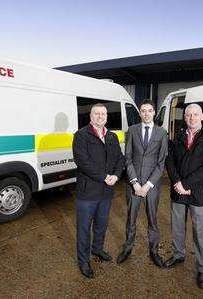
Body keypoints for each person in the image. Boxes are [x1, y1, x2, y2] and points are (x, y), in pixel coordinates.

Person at [164, 103, 203, 289]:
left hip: (197, 192)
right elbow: (170, 161)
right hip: (178, 190)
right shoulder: (178, 135)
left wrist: (186, 184)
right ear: (184, 116)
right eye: (188, 115)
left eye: (195, 115)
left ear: (202, 116)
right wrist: (177, 183)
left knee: (200, 232)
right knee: (177, 226)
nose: (192, 118)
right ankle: (178, 255)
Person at [72, 103, 125, 279]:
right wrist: (104, 176)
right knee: (84, 229)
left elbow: (120, 158)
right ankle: (83, 261)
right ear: (91, 116)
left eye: (103, 114)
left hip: (106, 191)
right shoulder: (81, 135)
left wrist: (116, 176)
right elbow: (82, 161)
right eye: (97, 113)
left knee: (101, 225)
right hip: (87, 192)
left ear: (107, 117)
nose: (100, 116)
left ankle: (98, 250)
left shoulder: (111, 136)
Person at [117, 99, 168, 268]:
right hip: (134, 184)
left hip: (151, 187)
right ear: (139, 113)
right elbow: (128, 158)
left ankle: (153, 251)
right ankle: (128, 248)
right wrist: (135, 183)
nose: (146, 113)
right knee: (131, 218)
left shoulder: (162, 133)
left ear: (154, 112)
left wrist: (148, 185)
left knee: (152, 219)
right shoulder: (131, 131)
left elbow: (161, 163)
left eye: (149, 110)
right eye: (143, 111)